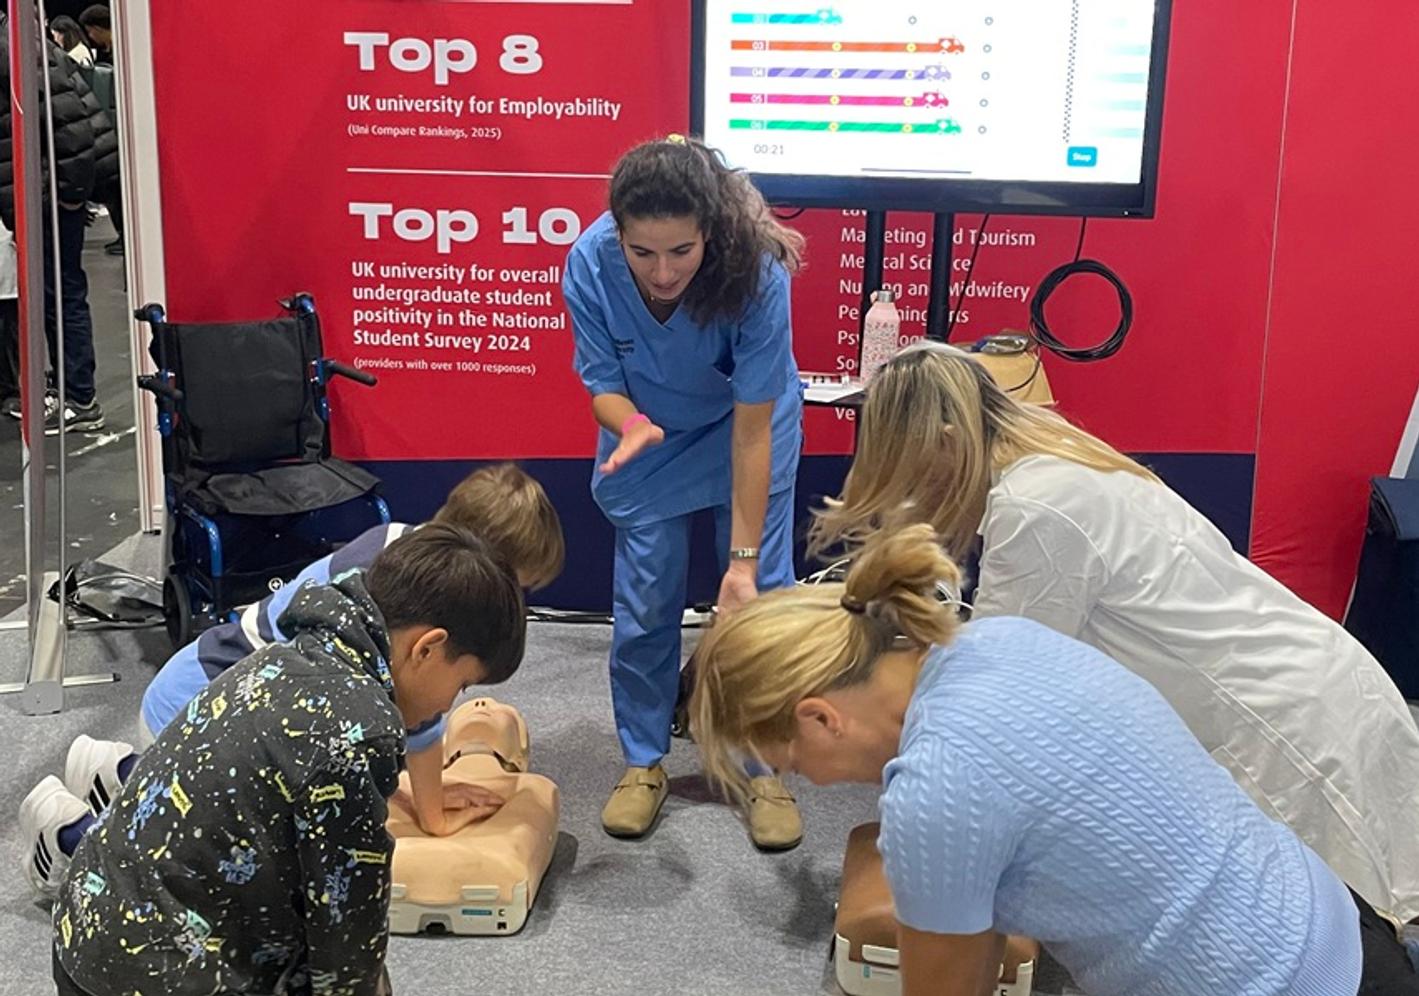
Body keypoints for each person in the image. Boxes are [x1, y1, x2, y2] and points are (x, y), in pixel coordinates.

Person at [809, 341, 1419, 925]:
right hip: (1320, 684)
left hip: (1286, 733)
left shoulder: (1035, 506)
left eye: (910, 475)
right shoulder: (1066, 459)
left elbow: (995, 701)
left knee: (1332, 947)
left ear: (945, 444)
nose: (915, 498)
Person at [691, 525, 1419, 996]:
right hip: (1332, 920)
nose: (802, 783)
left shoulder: (932, 792)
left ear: (819, 716)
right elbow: (971, 948)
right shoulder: (998, 641)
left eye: (785, 761)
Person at [20, 463, 563, 897]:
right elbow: (416, 724)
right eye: (515, 589)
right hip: (197, 709)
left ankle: (119, 771)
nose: (512, 606)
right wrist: (434, 813)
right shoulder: (406, 607)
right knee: (231, 871)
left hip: (194, 690)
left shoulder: (399, 547)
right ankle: (68, 837)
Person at [49, 522, 527, 996]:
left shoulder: (286, 655)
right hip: (150, 974)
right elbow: (346, 942)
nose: (450, 705)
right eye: (461, 684)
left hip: (86, 937)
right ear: (428, 648)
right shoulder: (359, 730)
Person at [564, 134, 805, 847]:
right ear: (618, 233)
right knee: (644, 607)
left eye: (680, 251)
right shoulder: (588, 262)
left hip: (745, 427)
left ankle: (761, 766)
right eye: (643, 253)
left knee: (758, 603)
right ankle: (643, 762)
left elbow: (755, 429)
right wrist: (630, 424)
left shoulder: (756, 271)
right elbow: (602, 385)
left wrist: (739, 563)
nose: (662, 271)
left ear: (710, 233)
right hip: (648, 432)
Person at [0, 19, 117, 433]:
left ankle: (81, 396)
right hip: (44, 195)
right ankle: (71, 386)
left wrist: (68, 196)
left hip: (50, 197)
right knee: (55, 293)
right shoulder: (22, 46)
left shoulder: (17, 52)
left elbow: (72, 126)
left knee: (61, 293)